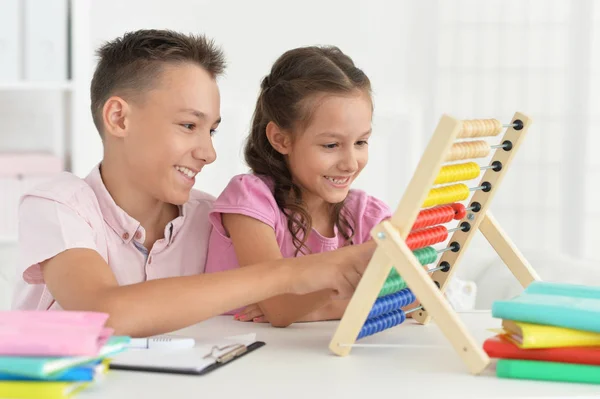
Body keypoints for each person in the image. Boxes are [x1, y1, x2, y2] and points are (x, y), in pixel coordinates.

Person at [11, 30, 375, 338]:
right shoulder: (58, 205)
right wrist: (290, 275)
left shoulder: (210, 219)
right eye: (189, 125)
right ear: (119, 118)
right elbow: (104, 314)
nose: (208, 152)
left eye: (212, 130)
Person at [205, 46, 392, 327]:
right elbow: (280, 308)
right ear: (281, 139)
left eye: (361, 142)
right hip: (244, 357)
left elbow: (419, 292)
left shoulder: (366, 214)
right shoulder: (251, 201)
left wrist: (319, 310)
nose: (351, 163)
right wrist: (365, 297)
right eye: (331, 145)